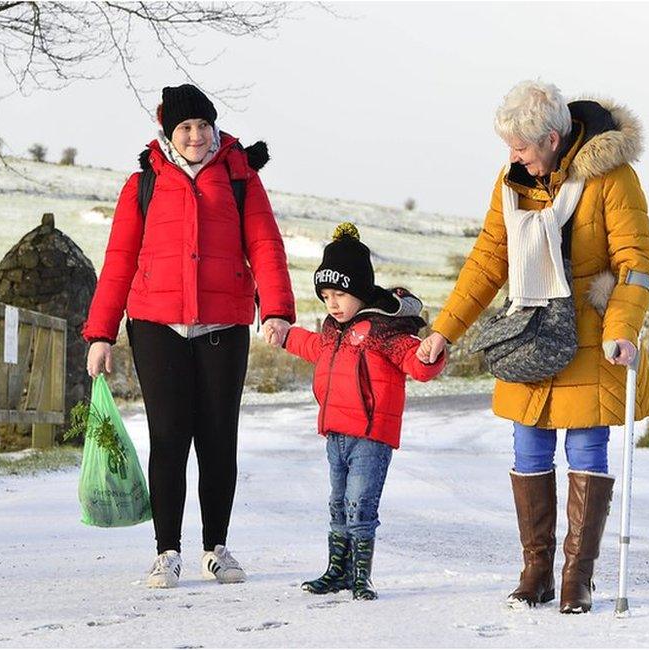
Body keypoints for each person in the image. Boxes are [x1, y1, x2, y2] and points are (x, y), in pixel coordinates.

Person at [417, 80, 649, 613]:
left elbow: (635, 264)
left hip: (595, 339)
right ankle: (535, 571)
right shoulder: (512, 182)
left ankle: (578, 577)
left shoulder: (613, 178)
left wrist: (622, 330)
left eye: (520, 147)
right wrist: (443, 330)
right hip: (529, 335)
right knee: (528, 449)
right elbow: (487, 260)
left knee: (586, 450)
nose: (512, 156)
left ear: (552, 139)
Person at [83, 83, 295, 588]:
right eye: (185, 127)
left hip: (224, 324)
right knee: (169, 437)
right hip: (157, 326)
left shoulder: (241, 179)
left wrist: (278, 309)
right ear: (169, 133)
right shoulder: (142, 185)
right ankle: (167, 551)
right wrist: (100, 334)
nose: (196, 135)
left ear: (214, 127)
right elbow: (118, 262)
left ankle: (217, 547)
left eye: (203, 125)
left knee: (219, 438)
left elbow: (266, 245)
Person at [266, 223, 446, 600]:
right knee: (337, 505)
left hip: (370, 436)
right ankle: (337, 571)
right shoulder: (333, 330)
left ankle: (361, 576)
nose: (332, 303)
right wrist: (285, 336)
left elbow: (414, 362)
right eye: (326, 295)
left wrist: (430, 354)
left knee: (359, 505)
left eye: (340, 293)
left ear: (360, 290)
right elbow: (313, 347)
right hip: (336, 433)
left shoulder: (385, 331)